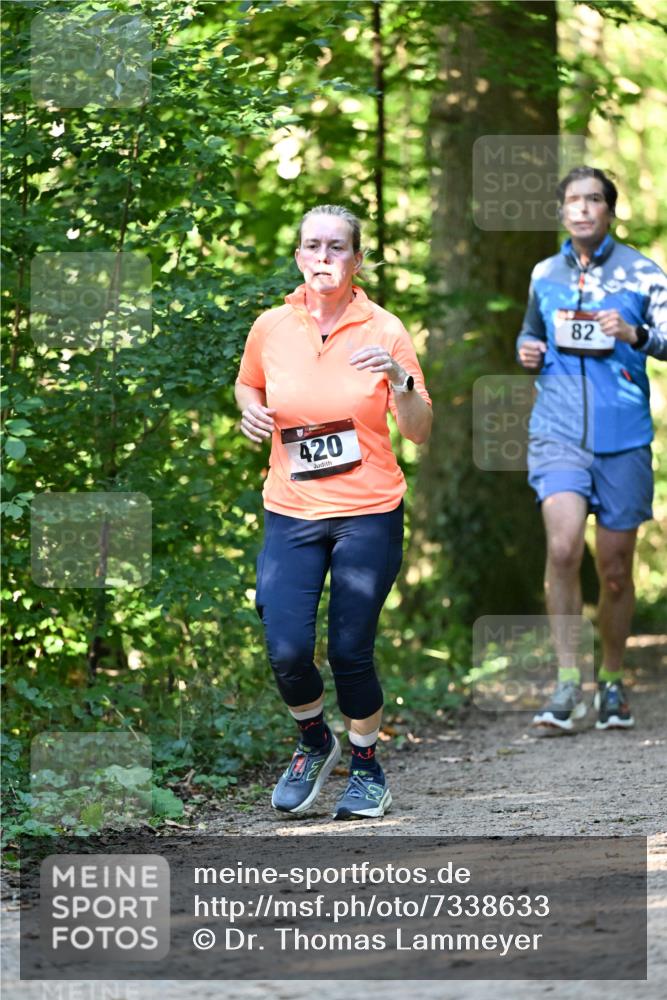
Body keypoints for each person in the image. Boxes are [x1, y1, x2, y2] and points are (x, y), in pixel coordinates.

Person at [235, 205, 432, 818]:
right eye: (313, 246)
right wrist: (250, 411)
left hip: (368, 510)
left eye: (337, 247)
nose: (324, 256)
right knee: (287, 645)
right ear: (298, 256)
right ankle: (315, 740)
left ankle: (367, 766)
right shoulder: (271, 327)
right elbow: (249, 383)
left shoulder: (385, 329)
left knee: (350, 649)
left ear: (357, 260)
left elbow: (421, 431)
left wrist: (401, 380)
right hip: (292, 508)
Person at [516, 166, 667, 733]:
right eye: (573, 201)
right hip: (556, 432)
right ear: (561, 211)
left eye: (593, 200)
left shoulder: (643, 273)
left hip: (623, 438)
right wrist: (527, 350)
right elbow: (530, 333)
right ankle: (564, 682)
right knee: (561, 550)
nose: (582, 209)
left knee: (614, 571)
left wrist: (636, 336)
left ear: (609, 209)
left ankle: (610, 679)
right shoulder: (544, 273)